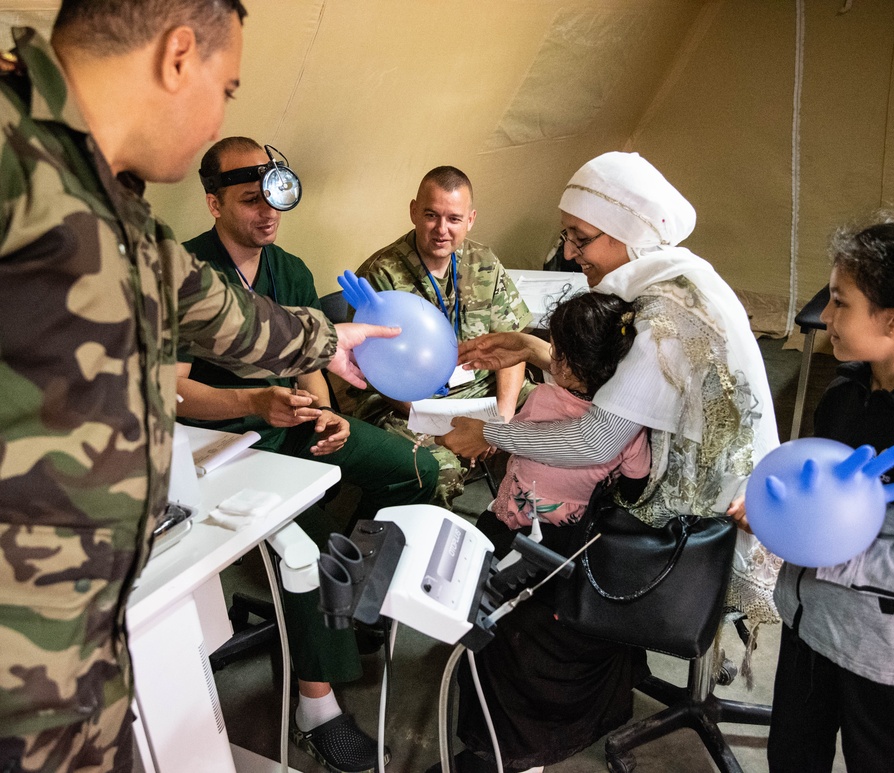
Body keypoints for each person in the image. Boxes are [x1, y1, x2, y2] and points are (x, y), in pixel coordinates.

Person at [0, 5, 397, 772]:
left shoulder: (115, 205)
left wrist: (327, 340)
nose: (220, 112)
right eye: (230, 89)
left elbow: (217, 310)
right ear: (179, 56)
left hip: (88, 632)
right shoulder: (15, 160)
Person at [437, 152, 781, 772]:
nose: (571, 253)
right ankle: (601, 693)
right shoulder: (679, 280)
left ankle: (516, 749)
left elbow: (596, 440)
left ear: (631, 231)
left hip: (696, 522)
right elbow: (614, 387)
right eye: (568, 234)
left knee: (525, 598)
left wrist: (492, 431)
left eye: (582, 236)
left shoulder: (666, 316)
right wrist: (536, 348)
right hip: (689, 494)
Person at [177, 136, 439, 772]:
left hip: (290, 425)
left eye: (273, 201)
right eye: (248, 201)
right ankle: (315, 706)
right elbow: (176, 394)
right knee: (308, 553)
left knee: (416, 469)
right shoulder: (184, 273)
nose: (267, 215)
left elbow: (311, 359)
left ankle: (351, 596)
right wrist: (255, 402)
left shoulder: (288, 268)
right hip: (223, 447)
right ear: (212, 203)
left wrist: (322, 409)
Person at [753, 217, 894, 773]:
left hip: (874, 654)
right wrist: (782, 513)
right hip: (805, 624)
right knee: (791, 755)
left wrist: (835, 555)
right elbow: (822, 500)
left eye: (840, 302)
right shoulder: (845, 393)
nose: (825, 316)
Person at [352, 166, 534, 505]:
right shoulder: (381, 276)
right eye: (431, 215)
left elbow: (512, 347)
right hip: (410, 404)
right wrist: (446, 425)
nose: (441, 229)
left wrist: (504, 419)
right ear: (413, 212)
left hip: (482, 390)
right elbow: (377, 375)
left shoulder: (484, 263)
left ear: (470, 219)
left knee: (556, 418)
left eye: (453, 218)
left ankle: (531, 526)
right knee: (435, 473)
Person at [486, 291, 649, 536]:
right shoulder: (629, 424)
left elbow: (516, 439)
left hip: (522, 514)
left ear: (567, 363)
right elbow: (634, 483)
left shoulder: (543, 397)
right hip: (577, 524)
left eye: (554, 350)